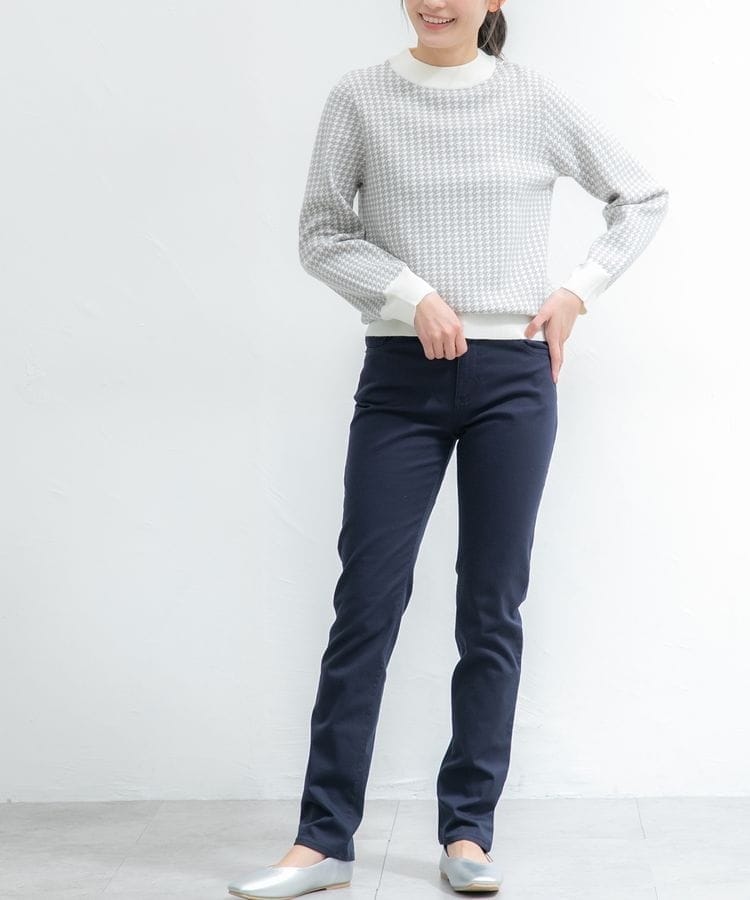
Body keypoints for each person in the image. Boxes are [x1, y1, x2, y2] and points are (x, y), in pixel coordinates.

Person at [228, 1, 669, 896]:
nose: (436, 0)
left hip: (514, 378)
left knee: (491, 607)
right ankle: (322, 840)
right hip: (402, 377)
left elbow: (642, 198)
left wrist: (577, 292)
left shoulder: (533, 98)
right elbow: (321, 232)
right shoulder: (360, 97)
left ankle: (468, 833)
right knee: (367, 602)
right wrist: (410, 293)